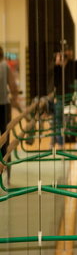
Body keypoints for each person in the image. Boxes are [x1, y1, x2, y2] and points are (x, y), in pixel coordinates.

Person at [0, 46, 20, 175]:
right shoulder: (4, 66)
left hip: (4, 104)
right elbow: (12, 86)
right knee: (5, 136)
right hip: (3, 106)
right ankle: (6, 169)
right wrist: (14, 97)